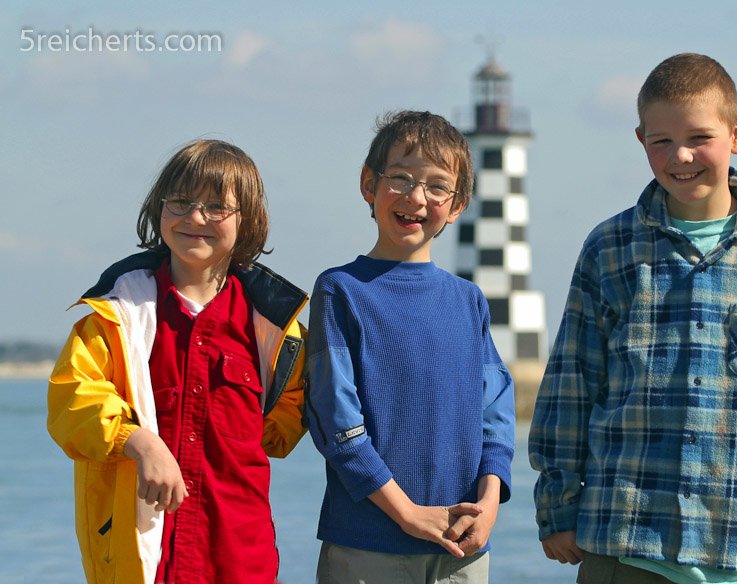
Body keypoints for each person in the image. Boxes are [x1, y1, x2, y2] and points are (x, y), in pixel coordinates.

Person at [529, 53, 737, 583]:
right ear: (641, 141)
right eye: (661, 141)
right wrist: (558, 505)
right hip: (623, 545)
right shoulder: (609, 248)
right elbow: (571, 385)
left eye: (699, 137)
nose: (680, 156)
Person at [47, 139, 308, 584]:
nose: (195, 217)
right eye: (181, 202)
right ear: (158, 209)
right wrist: (139, 442)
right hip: (140, 551)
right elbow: (73, 399)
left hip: (240, 554)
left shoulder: (276, 330)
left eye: (215, 207)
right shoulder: (116, 314)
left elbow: (282, 430)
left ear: (247, 221)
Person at [305, 110, 516, 584]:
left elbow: (496, 413)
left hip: (463, 546)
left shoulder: (468, 300)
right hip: (367, 544)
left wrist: (489, 503)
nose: (416, 198)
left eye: (438, 186)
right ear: (368, 184)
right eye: (400, 178)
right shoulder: (341, 290)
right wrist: (406, 513)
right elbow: (335, 418)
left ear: (458, 204)